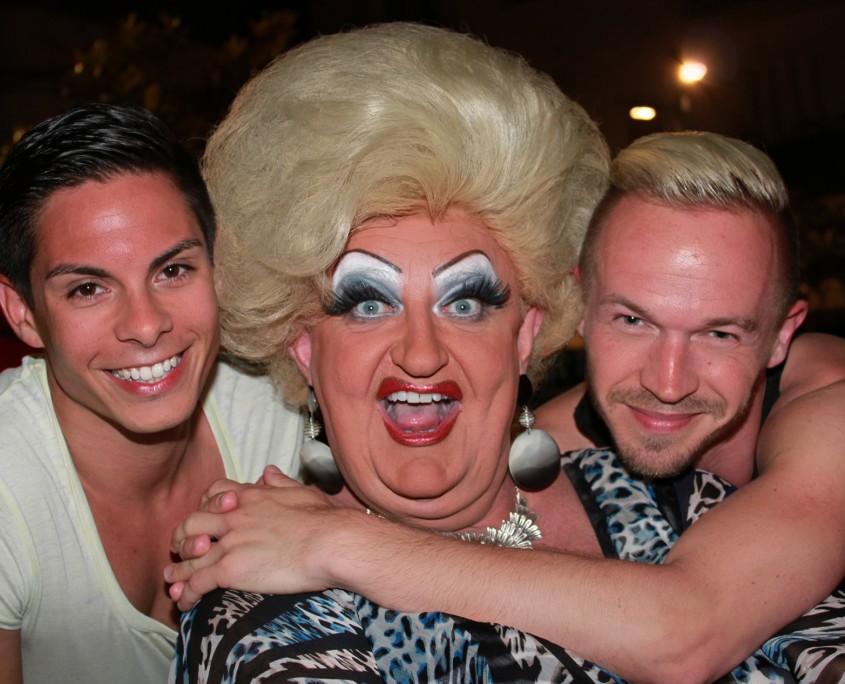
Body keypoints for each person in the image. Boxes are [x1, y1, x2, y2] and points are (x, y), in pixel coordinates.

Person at [166, 23, 845, 683]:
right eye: (368, 304)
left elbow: (721, 630)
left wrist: (338, 543)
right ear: (303, 345)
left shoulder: (673, 500)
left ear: (526, 333)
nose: (421, 353)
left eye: (465, 302)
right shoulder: (268, 602)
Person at [0, 103, 303, 684]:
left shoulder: (277, 411)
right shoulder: (11, 491)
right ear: (24, 314)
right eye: (88, 289)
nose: (145, 325)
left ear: (217, 265)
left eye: (172, 271)